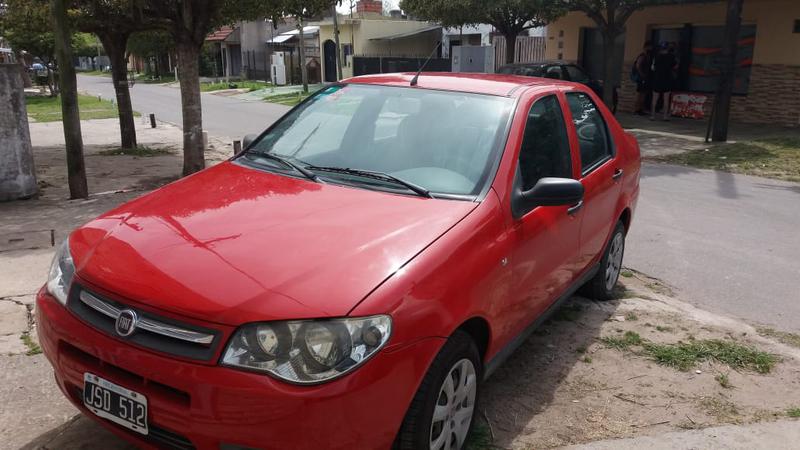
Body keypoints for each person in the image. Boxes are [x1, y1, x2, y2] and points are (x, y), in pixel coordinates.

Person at [651, 41, 678, 121]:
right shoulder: (671, 57)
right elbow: (676, 66)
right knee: (666, 98)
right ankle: (665, 116)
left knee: (654, 98)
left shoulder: (656, 57)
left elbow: (653, 68)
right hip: (667, 79)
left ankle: (652, 115)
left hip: (657, 79)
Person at [633, 41, 653, 115]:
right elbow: (638, 66)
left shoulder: (648, 56)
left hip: (645, 77)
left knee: (643, 94)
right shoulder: (642, 56)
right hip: (641, 78)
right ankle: (637, 109)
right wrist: (642, 75)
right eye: (650, 47)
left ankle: (640, 109)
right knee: (640, 94)